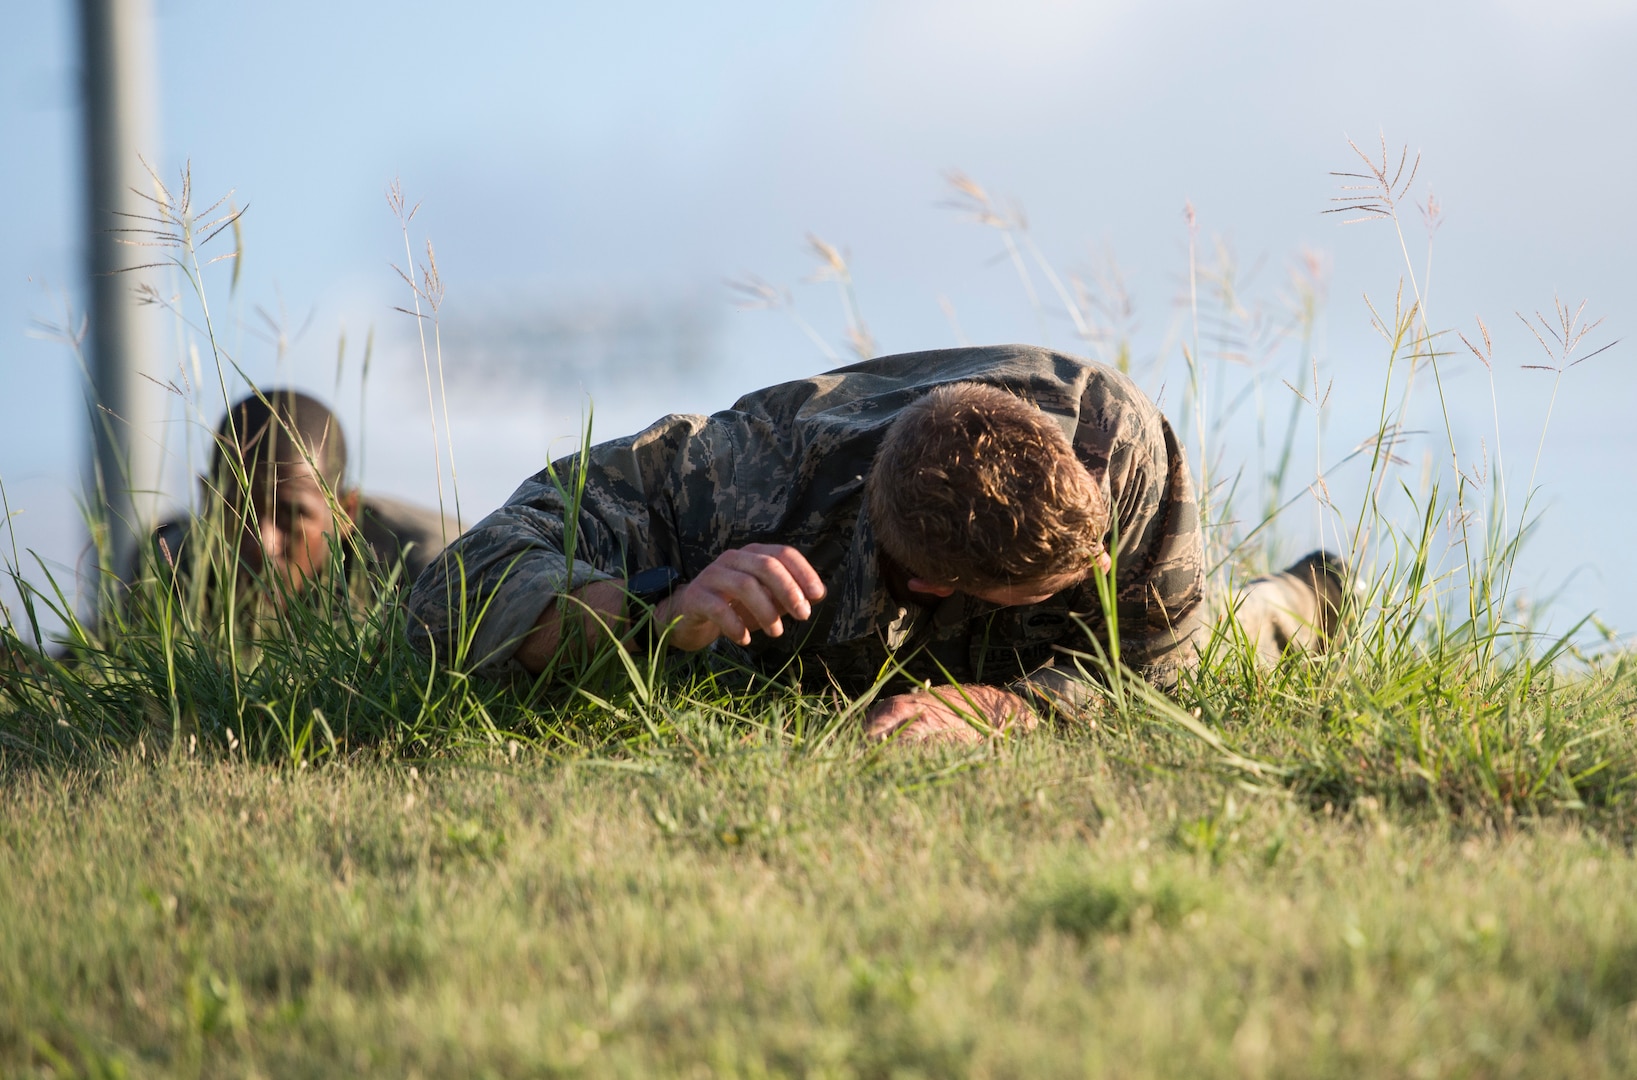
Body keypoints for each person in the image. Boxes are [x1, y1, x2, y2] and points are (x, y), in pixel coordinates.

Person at [405, 345, 1345, 743]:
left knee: (1231, 637)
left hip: (1072, 635)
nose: (1097, 572)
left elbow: (1152, 676)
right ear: (934, 588)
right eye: (1061, 578)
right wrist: (654, 619)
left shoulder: (1119, 450)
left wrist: (1002, 712)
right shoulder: (738, 473)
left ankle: (1305, 598)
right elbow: (458, 584)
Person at [146, 389, 459, 602]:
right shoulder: (165, 564)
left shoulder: (436, 576)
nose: (264, 544)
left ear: (345, 513)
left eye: (293, 515)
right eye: (238, 510)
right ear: (208, 502)